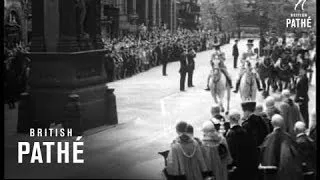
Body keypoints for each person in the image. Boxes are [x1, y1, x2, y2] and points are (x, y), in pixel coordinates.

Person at [260, 114, 304, 180]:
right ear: (283, 123)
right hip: (287, 172)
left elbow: (263, 153)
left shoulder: (269, 138)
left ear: (272, 123)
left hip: (273, 173)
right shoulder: (288, 137)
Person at [226, 110, 259, 180]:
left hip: (236, 167)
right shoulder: (245, 132)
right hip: (247, 166)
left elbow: (230, 152)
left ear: (231, 120)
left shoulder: (230, 134)